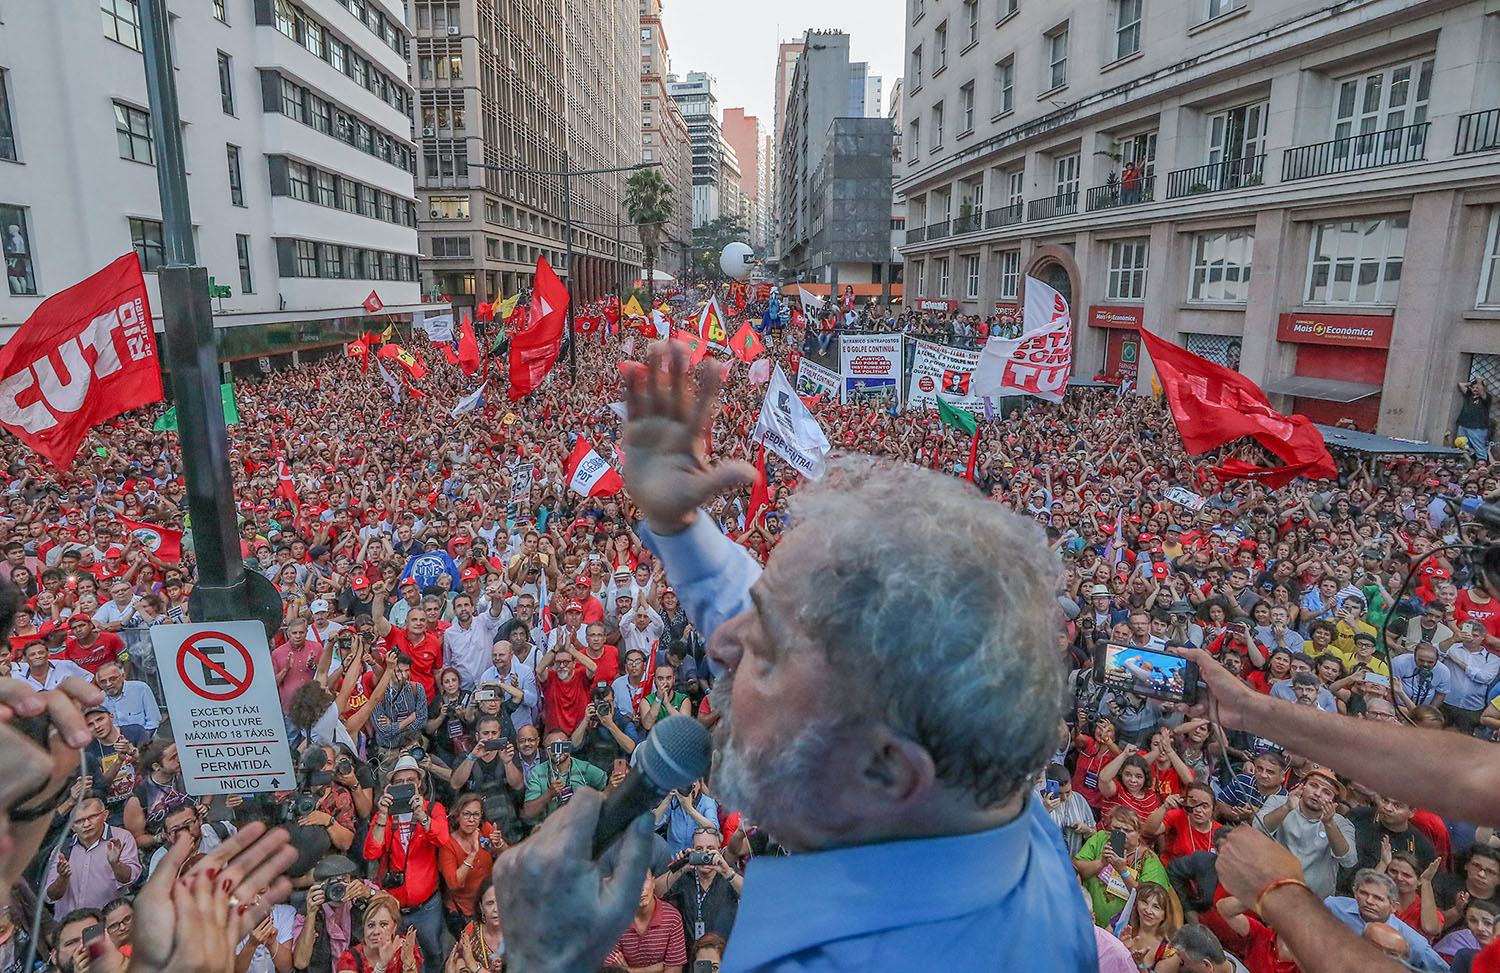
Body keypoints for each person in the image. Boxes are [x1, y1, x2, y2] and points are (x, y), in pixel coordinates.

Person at [489, 342, 1097, 972]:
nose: (722, 643)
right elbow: (826, 652)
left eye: (767, 650)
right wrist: (680, 529)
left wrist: (541, 962)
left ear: (885, 769)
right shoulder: (1002, 824)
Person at [1254, 767, 1356, 899]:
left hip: (1314, 902)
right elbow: (1258, 828)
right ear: (1302, 787)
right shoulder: (1278, 802)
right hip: (1273, 890)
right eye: (1313, 786)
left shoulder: (1342, 823)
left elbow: (1349, 860)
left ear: (1333, 802)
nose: (1318, 794)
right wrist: (1287, 808)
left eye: (1326, 792)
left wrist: (1329, 823)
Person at [1323, 868, 1449, 970]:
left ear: (1394, 906)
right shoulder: (1332, 907)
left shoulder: (1411, 940)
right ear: (1355, 892)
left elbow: (1442, 969)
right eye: (1364, 893)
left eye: (1378, 898)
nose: (1369, 901)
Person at [42, 796, 142, 915]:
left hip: (105, 923)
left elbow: (130, 879)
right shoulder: (62, 850)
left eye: (92, 817)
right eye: (79, 821)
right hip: (69, 925)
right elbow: (50, 896)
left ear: (105, 815)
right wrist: (62, 878)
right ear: (72, 827)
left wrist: (116, 864)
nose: (86, 824)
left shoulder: (121, 839)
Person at [1076, 805, 1170, 928]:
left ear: (1138, 833)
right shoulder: (1100, 839)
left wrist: (1123, 871)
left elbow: (1150, 900)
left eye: (1128, 830)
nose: (1121, 834)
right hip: (1088, 921)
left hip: (1123, 929)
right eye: (1116, 828)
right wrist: (1101, 863)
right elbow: (1077, 868)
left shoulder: (1149, 860)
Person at [660, 826, 742, 954]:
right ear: (692, 850)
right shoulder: (684, 874)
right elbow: (654, 891)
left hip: (723, 954)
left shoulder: (728, 873)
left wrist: (727, 873)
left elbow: (753, 895)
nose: (705, 854)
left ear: (719, 852)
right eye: (699, 849)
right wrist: (680, 868)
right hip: (688, 954)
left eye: (710, 849)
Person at [605, 872, 688, 973]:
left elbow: (674, 970)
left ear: (653, 882)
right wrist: (658, 968)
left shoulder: (672, 918)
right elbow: (610, 970)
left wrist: (628, 970)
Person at [336, 891, 421, 972]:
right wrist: (381, 966)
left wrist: (408, 963)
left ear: (394, 927)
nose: (376, 931)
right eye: (371, 925)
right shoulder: (349, 959)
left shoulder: (404, 948)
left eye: (383, 924)